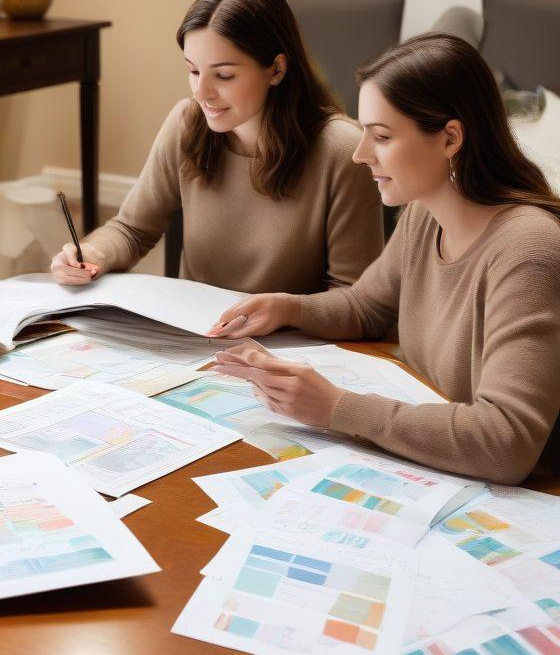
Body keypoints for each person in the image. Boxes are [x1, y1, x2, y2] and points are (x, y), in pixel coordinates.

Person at [209, 33, 560, 485]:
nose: (360, 154)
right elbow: (367, 307)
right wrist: (286, 307)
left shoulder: (528, 249)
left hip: (529, 497)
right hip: (440, 465)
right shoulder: (423, 214)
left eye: (382, 136)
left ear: (451, 137)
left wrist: (337, 408)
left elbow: (506, 441)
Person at [49, 0, 384, 306]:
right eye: (194, 71)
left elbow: (357, 299)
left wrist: (285, 312)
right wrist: (92, 254)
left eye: (224, 75)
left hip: (287, 350)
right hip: (194, 339)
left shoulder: (342, 150)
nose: (202, 93)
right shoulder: (187, 123)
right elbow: (132, 229)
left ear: (277, 70)